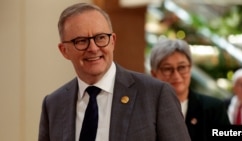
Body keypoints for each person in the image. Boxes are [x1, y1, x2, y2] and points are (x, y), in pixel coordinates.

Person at [38, 3, 191, 141]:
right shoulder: (53, 105)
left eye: (101, 37)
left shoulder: (155, 94)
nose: (93, 48)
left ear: (113, 41)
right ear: (64, 50)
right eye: (81, 41)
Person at [150, 38, 230, 141]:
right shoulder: (143, 110)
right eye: (167, 68)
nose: (176, 75)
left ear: (190, 69)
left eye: (182, 67)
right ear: (154, 74)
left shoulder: (213, 108)